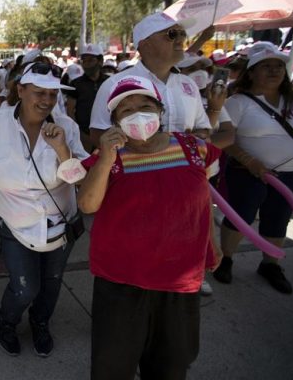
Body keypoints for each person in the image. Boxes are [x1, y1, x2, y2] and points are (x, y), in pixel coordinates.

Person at [77, 75, 221, 380]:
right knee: (112, 366)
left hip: (179, 278)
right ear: (115, 121)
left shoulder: (194, 148)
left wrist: (212, 242)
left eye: (144, 105)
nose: (137, 114)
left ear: (160, 110)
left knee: (172, 363)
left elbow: (202, 199)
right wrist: (105, 158)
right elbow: (87, 205)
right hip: (121, 281)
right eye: (126, 110)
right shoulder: (109, 159)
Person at [0, 62, 88, 358]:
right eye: (39, 92)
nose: (46, 101)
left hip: (59, 222)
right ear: (20, 90)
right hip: (15, 224)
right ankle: (7, 320)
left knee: (52, 283)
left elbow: (80, 177)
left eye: (53, 95)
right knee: (25, 288)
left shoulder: (66, 126)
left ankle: (40, 322)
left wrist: (61, 150)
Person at [216, 43, 293, 294]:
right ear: (251, 72)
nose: (275, 70)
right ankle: (227, 258)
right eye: (266, 66)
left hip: (292, 173)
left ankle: (270, 264)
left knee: (278, 218)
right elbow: (223, 139)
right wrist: (249, 161)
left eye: (278, 66)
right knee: (240, 216)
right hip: (248, 172)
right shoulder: (237, 102)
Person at [176, 53, 235, 149]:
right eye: (192, 69)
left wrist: (201, 147)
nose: (201, 73)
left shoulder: (210, 97)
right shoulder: (171, 99)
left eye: (203, 69)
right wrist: (214, 109)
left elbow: (229, 135)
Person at [65, 43, 109, 151]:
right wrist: (79, 134)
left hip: (108, 134)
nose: (87, 64)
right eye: (84, 61)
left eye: (90, 60)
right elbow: (70, 111)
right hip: (84, 136)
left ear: (100, 61)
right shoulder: (76, 84)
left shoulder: (109, 82)